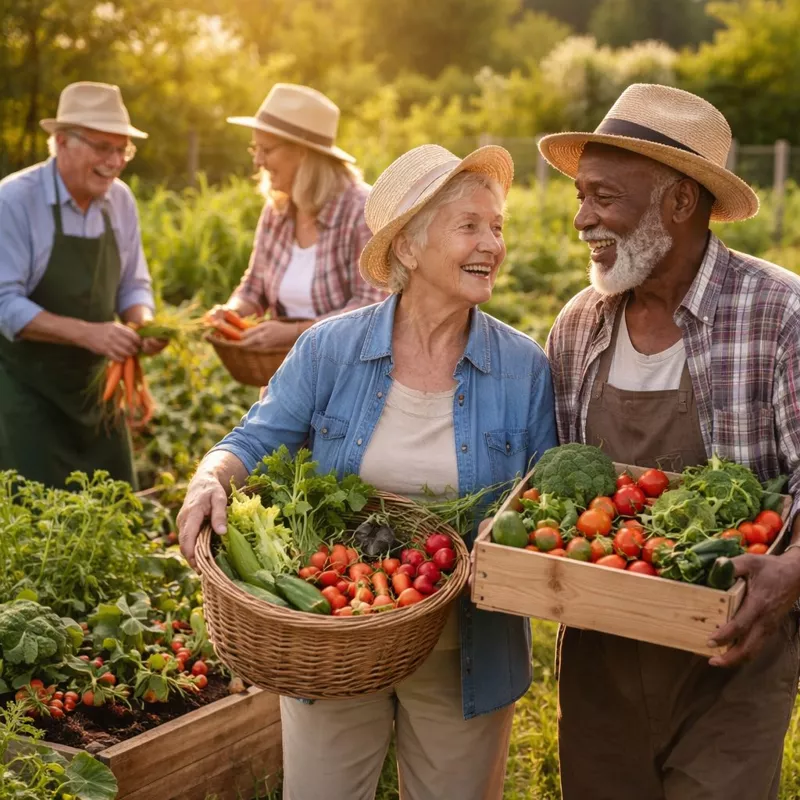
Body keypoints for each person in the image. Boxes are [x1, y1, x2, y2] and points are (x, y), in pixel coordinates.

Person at [178, 143, 557, 799]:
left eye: (497, 227)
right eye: (469, 226)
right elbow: (254, 438)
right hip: (334, 630)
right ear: (408, 245)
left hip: (466, 651)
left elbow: (542, 502)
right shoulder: (330, 348)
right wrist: (210, 477)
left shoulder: (523, 368)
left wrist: (513, 537)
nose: (492, 245)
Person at [539, 83, 800, 800]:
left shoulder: (779, 315)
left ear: (680, 201)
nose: (581, 218)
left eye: (603, 197)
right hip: (601, 659)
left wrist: (793, 570)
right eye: (581, 196)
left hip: (732, 659)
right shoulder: (579, 324)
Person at [0, 81, 165, 489]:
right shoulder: (14, 201)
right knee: (34, 513)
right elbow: (5, 303)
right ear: (61, 141)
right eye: (103, 147)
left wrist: (142, 322)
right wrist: (89, 333)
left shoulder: (120, 201)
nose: (115, 161)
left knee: (116, 503)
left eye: (122, 149)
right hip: (28, 394)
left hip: (98, 394)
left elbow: (134, 284)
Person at [210, 83, 386, 351]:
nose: (258, 161)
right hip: (289, 364)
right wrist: (231, 311)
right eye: (254, 149)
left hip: (348, 364)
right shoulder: (277, 210)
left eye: (266, 150)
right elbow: (253, 288)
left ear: (303, 153)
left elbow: (371, 308)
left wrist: (295, 333)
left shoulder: (361, 211)